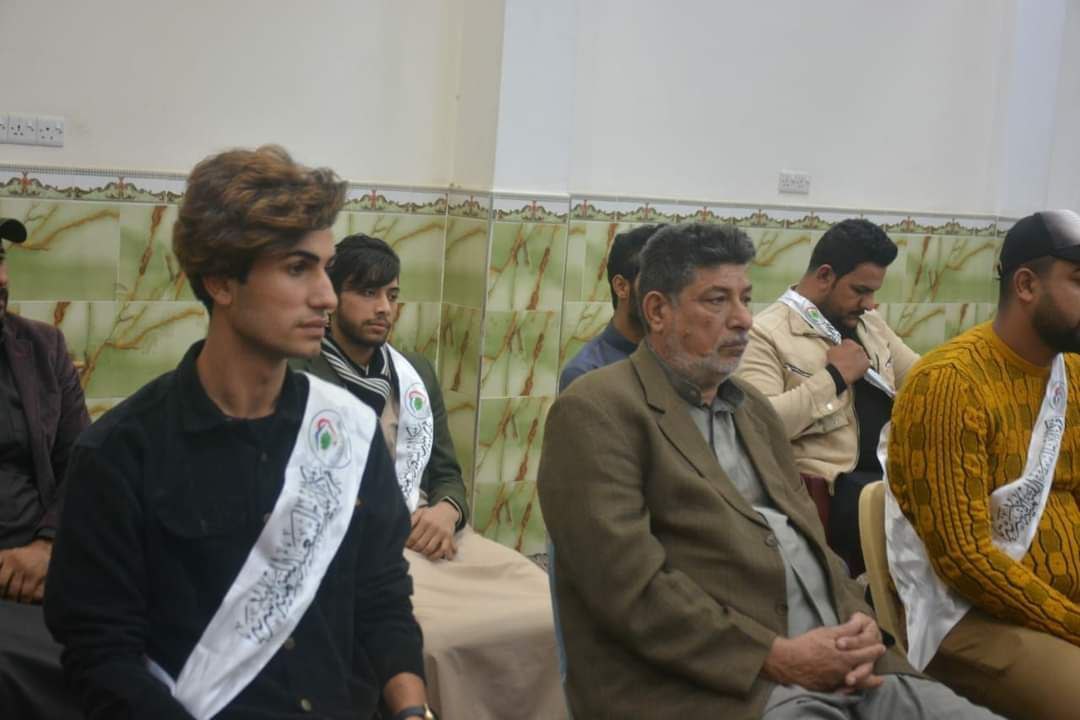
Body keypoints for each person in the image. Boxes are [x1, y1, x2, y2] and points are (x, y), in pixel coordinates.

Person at [538, 222, 1000, 719]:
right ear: (657, 310)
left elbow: (812, 543)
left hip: (848, 666)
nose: (743, 319)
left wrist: (860, 622)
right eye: (717, 300)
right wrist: (776, 657)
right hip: (730, 684)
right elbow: (630, 589)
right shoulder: (598, 409)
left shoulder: (752, 409)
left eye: (745, 298)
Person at [44, 147, 436, 720]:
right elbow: (101, 657)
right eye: (298, 268)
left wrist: (412, 711)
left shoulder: (346, 431)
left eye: (325, 269)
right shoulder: (120, 454)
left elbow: (382, 598)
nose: (326, 296)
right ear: (221, 281)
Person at [294, 234, 562, 720]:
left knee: (547, 608)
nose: (384, 308)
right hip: (363, 546)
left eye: (392, 295)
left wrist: (447, 510)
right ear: (331, 298)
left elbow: (445, 472)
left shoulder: (413, 372)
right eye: (368, 293)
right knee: (438, 639)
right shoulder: (301, 374)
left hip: (435, 534)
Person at [887, 209, 1080, 720]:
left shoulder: (1073, 373)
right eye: (1079, 281)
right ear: (1026, 285)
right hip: (971, 618)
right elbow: (965, 560)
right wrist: (1072, 622)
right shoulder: (949, 383)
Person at [738, 219, 918, 574]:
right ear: (824, 275)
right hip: (833, 494)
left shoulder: (869, 324)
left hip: (890, 477)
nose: (870, 303)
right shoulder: (764, 335)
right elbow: (759, 424)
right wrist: (834, 377)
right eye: (860, 291)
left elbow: (922, 376)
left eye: (873, 292)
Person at [0, 216, 87, 719]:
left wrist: (47, 546)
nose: (1, 278)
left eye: (0, 259)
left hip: (43, 568)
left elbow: (83, 462)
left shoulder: (41, 348)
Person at [558, 223, 663, 391]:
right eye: (655, 281)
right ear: (621, 287)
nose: (666, 294)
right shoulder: (585, 373)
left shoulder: (679, 361)